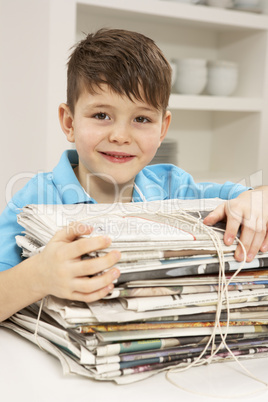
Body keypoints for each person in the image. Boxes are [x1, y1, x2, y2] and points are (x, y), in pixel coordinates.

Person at [0, 28, 267, 322]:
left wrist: (257, 199)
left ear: (162, 128)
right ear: (69, 122)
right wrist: (37, 277)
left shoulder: (173, 186)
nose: (120, 136)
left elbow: (255, 198)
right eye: (101, 115)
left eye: (141, 119)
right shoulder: (35, 202)